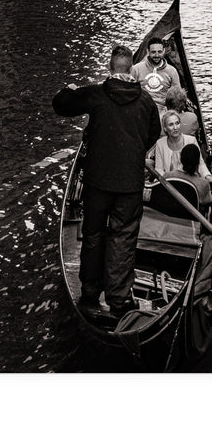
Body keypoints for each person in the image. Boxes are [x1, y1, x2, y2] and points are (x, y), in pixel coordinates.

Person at [53, 44, 161, 318]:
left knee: (93, 236)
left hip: (97, 183)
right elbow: (152, 135)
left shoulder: (96, 94)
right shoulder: (147, 101)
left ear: (110, 69)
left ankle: (90, 293)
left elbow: (61, 104)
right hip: (129, 186)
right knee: (123, 239)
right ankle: (119, 300)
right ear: (132, 70)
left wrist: (68, 88)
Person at [147, 109, 211, 179]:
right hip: (168, 183)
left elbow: (200, 164)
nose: (175, 128)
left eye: (177, 123)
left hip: (189, 182)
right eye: (171, 125)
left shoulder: (191, 140)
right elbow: (159, 169)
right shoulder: (160, 143)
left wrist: (208, 176)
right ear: (165, 128)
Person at [132, 38, 181, 110]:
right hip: (142, 108)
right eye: (153, 52)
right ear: (148, 52)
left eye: (159, 52)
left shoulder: (172, 71)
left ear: (164, 51)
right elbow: (130, 91)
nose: (157, 55)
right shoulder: (136, 69)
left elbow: (177, 95)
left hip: (163, 109)